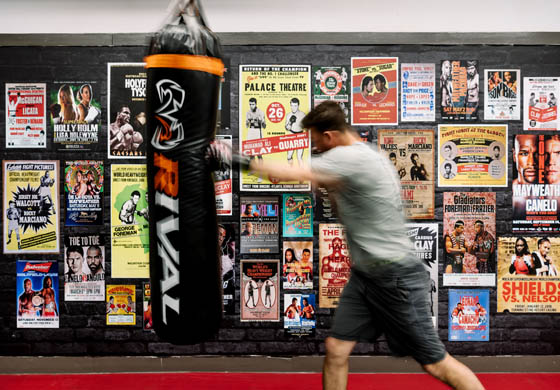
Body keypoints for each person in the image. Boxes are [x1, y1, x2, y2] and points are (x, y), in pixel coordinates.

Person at [246, 101, 484, 390]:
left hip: (396, 277)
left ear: (330, 136)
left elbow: (289, 171)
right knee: (336, 348)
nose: (316, 148)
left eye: (316, 141)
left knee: (435, 362)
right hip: (366, 276)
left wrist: (235, 160)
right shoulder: (369, 155)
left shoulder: (350, 157)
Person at [246, 97, 266, 182]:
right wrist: (247, 122)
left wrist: (261, 121)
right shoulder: (248, 113)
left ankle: (261, 174)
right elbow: (247, 125)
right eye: (250, 104)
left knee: (259, 154)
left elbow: (264, 126)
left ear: (256, 104)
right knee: (251, 153)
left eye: (253, 104)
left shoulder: (260, 112)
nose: (251, 106)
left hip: (258, 132)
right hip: (251, 132)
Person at [285, 97, 306, 166]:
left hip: (300, 135)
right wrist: (290, 123)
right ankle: (291, 171)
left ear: (298, 105)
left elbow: (306, 127)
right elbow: (287, 128)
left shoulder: (302, 115)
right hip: (291, 134)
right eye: (292, 105)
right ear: (290, 105)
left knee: (299, 157)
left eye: (295, 106)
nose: (293, 107)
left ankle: (302, 174)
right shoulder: (288, 115)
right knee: (289, 156)